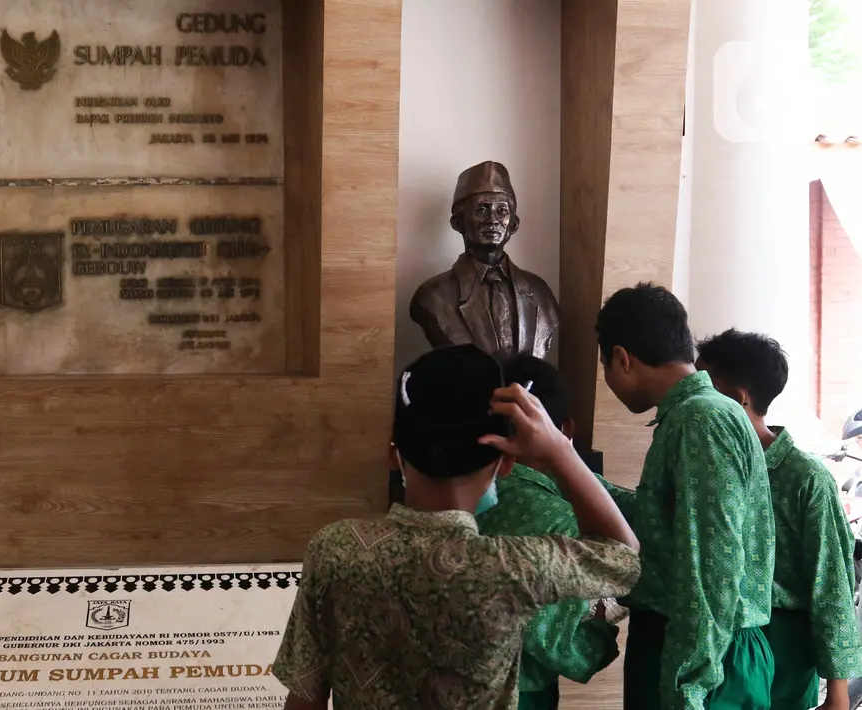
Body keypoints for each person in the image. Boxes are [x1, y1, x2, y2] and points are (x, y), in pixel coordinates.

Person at [272, 344, 640, 709]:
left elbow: (305, 698)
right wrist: (559, 450)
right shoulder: (515, 566)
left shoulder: (334, 548)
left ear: (392, 455)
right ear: (506, 465)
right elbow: (623, 555)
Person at [595, 283, 775, 709]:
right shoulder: (700, 413)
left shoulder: (701, 419)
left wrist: (688, 687)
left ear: (622, 358)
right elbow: (666, 524)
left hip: (703, 659)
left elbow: (711, 568)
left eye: (605, 366)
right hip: (698, 647)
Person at [697, 329, 862, 710]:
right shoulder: (707, 465)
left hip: (783, 646)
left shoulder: (804, 478)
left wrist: (838, 691)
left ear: (737, 398)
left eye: (705, 387)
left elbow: (832, 583)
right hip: (717, 637)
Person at [478, 355, 627, 709]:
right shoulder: (564, 521)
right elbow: (565, 644)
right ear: (566, 429)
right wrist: (601, 633)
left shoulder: (459, 494)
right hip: (519, 695)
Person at [409, 160, 560, 360]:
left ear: (513, 225)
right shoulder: (432, 296)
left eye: (502, 210)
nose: (493, 220)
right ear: (458, 223)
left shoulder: (540, 292)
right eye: (482, 209)